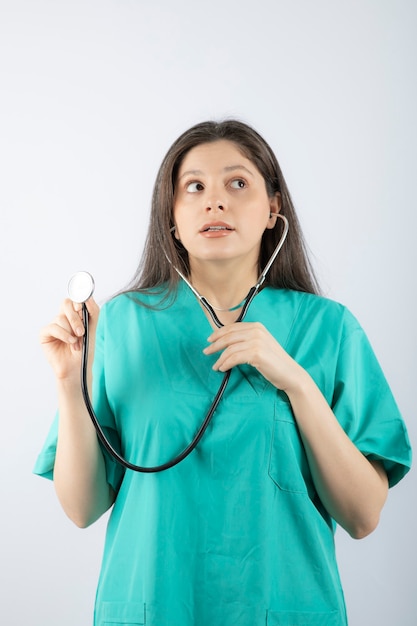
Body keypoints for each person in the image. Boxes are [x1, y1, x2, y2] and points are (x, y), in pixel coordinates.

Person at [35, 119, 412, 626]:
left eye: (237, 183)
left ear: (273, 207)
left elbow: (364, 516)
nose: (215, 202)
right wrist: (68, 381)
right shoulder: (120, 323)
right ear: (171, 216)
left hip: (283, 609)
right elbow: (81, 508)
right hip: (153, 607)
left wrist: (295, 381)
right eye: (194, 187)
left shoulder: (329, 329)